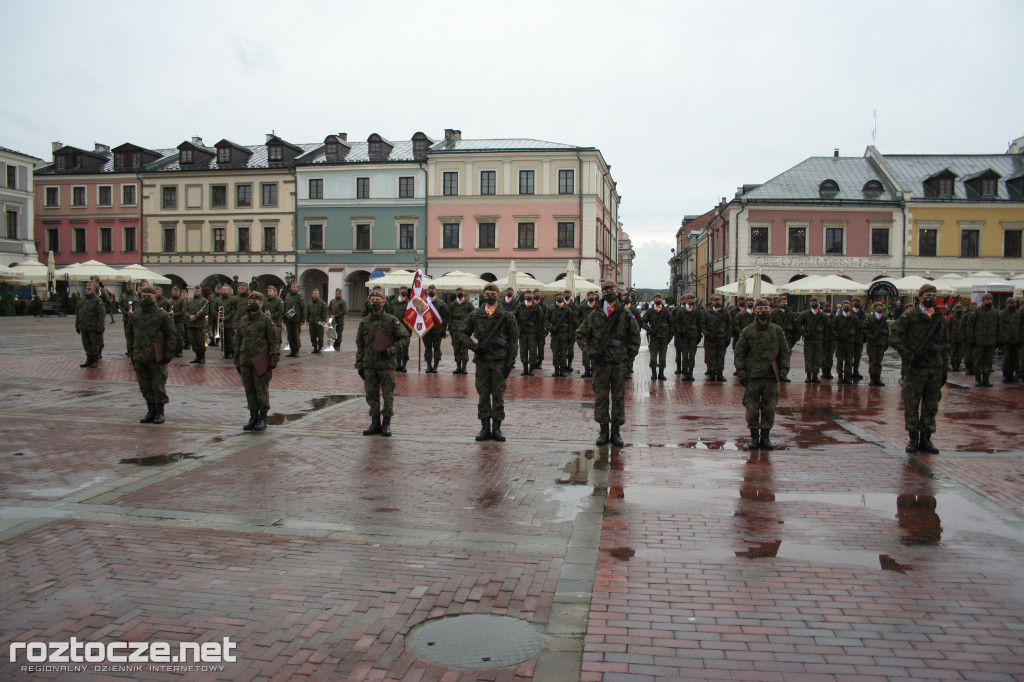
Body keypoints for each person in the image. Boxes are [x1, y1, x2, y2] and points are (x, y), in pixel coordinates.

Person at [576, 280, 641, 447]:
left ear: (617, 291)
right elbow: (581, 335)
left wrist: (627, 358)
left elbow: (635, 338)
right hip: (601, 363)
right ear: (601, 293)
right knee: (601, 397)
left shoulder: (625, 314)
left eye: (612, 289)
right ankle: (604, 431)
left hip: (619, 364)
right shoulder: (594, 314)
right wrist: (590, 352)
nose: (609, 292)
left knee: (619, 397)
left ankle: (616, 432)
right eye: (605, 289)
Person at [457, 282, 519, 442]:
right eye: (487, 293)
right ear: (483, 295)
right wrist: (475, 347)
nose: (489, 296)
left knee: (498, 396)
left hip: (500, 363)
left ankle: (497, 429)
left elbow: (513, 341)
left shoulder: (507, 316)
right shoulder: (476, 314)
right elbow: (462, 333)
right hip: (483, 363)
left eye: (493, 293)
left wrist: (509, 363)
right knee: (483, 395)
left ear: (498, 295)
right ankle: (485, 428)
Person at [890, 283, 948, 454]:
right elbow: (894, 337)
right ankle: (913, 438)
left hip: (934, 368)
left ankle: (926, 439)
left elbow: (945, 344)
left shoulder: (938, 317)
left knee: (931, 405)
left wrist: (944, 369)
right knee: (912, 404)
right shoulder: (910, 316)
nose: (930, 297)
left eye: (933, 294)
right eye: (927, 295)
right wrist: (909, 355)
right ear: (920, 297)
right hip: (915, 369)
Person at [735, 298, 790, 450]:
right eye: (760, 308)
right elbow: (740, 353)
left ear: (770, 310)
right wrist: (742, 373)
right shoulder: (748, 331)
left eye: (766, 308)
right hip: (753, 376)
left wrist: (784, 371)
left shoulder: (777, 330)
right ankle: (754, 437)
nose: (763, 311)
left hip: (771, 377)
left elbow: (784, 352)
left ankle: (765, 437)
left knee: (769, 408)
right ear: (754, 311)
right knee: (752, 408)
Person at [355, 291, 411, 437]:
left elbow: (404, 338)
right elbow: (360, 345)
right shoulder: (364, 322)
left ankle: (386, 424)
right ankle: (375, 423)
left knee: (388, 395)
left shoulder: (392, 321)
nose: (374, 302)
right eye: (372, 299)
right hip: (369, 366)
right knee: (371, 395)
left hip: (387, 365)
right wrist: (359, 365)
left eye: (377, 299)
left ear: (384, 302)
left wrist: (391, 350)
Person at [234, 291, 281, 431]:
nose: (252, 303)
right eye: (250, 301)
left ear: (261, 304)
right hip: (245, 359)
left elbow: (274, 341)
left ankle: (262, 417)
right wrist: (237, 359)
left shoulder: (267, 320)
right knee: (249, 389)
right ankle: (252, 416)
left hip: (261, 358)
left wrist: (274, 359)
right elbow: (238, 341)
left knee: (261, 389)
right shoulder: (243, 321)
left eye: (256, 302)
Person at [130, 285, 177, 424]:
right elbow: (130, 334)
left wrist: (168, 353)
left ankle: (159, 412)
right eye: (143, 296)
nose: (145, 299)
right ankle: (150, 410)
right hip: (140, 354)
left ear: (155, 297)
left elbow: (171, 334)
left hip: (157, 354)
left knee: (158, 384)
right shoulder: (136, 314)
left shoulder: (162, 315)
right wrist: (131, 352)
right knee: (144, 385)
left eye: (148, 296)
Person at [966, 292, 998, 387]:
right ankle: (978, 379)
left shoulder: (995, 313)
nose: (989, 301)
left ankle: (986, 379)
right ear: (983, 301)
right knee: (978, 360)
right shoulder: (977, 312)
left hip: (991, 341)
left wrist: (998, 340)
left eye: (990, 300)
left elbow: (999, 326)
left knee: (988, 361)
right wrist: (971, 339)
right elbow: (970, 326)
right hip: (978, 341)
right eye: (987, 300)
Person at [641, 292, 672, 380]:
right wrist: (649, 329)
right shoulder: (650, 311)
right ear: (653, 300)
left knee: (662, 356)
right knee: (653, 356)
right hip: (654, 337)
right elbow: (642, 322)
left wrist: (669, 335)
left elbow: (671, 323)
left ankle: (661, 373)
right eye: (656, 298)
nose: (657, 300)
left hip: (664, 337)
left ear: (661, 299)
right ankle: (654, 373)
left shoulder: (666, 311)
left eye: (659, 298)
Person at [75, 281, 106, 368]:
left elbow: (101, 315)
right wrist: (77, 325)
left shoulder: (97, 301)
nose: (87, 290)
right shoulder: (82, 301)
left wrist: (100, 327)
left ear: (93, 290)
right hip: (84, 327)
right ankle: (88, 359)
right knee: (86, 344)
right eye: (86, 289)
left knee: (94, 344)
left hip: (93, 327)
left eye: (89, 289)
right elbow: (78, 314)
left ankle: (94, 360)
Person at [700, 294, 730, 382]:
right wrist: (707, 334)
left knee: (721, 356)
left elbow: (729, 325)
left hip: (721, 338)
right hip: (710, 338)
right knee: (711, 356)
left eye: (718, 300)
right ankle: (712, 373)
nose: (717, 302)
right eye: (715, 301)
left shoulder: (725, 313)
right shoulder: (707, 312)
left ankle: (720, 373)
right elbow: (703, 325)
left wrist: (728, 337)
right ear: (711, 302)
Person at [673, 291, 702, 381]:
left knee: (692, 355)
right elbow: (676, 322)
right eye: (689, 299)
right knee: (685, 355)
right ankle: (685, 372)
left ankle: (691, 372)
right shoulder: (681, 310)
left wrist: (699, 335)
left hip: (693, 336)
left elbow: (700, 323)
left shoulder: (697, 311)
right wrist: (679, 331)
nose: (691, 300)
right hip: (684, 336)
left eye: (692, 299)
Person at [832, 300, 862, 384]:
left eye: (848, 305)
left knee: (849, 360)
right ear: (842, 307)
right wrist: (837, 337)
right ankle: (840, 377)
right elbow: (832, 328)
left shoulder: (854, 318)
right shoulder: (838, 317)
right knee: (840, 360)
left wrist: (857, 341)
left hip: (850, 342)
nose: (846, 307)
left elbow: (858, 330)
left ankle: (847, 377)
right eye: (844, 305)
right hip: (841, 343)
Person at [799, 296, 826, 383]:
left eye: (816, 301)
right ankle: (808, 375)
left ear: (819, 303)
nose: (814, 303)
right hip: (809, 339)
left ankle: (815, 375)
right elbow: (797, 324)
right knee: (808, 357)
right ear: (810, 303)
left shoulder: (822, 315)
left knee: (817, 357)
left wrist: (823, 335)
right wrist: (803, 334)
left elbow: (828, 326)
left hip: (818, 339)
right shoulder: (805, 314)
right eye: (812, 301)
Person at [448, 286, 475, 375]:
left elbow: (472, 316)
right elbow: (450, 317)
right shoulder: (453, 304)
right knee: (456, 348)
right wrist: (450, 329)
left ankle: (464, 367)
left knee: (464, 348)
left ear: (464, 293)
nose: (459, 292)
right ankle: (458, 367)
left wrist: (471, 328)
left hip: (464, 329)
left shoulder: (468, 304)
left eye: (461, 291)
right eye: (457, 291)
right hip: (455, 329)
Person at [768, 295, 796, 382]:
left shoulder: (790, 313)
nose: (784, 304)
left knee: (786, 358)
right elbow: (770, 325)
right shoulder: (774, 313)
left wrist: (793, 340)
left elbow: (795, 327)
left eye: (785, 302)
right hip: (776, 339)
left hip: (788, 339)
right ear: (779, 303)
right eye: (782, 302)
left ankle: (784, 375)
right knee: (775, 357)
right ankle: (775, 374)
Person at [548, 291, 575, 377]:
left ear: (563, 297)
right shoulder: (551, 308)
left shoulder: (568, 309)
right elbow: (546, 320)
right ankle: (556, 370)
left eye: (561, 296)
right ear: (555, 297)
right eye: (557, 296)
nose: (559, 297)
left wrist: (570, 335)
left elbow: (571, 323)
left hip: (564, 334)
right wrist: (550, 328)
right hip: (555, 334)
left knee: (563, 353)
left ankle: (562, 370)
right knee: (555, 352)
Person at [863, 300, 890, 386]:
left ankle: (878, 379)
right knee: (873, 361)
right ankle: (872, 379)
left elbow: (887, 332)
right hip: (872, 343)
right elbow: (865, 329)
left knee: (879, 362)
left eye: (880, 308)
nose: (879, 309)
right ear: (874, 309)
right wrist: (870, 336)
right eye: (877, 308)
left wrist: (886, 342)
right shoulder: (870, 318)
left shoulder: (883, 319)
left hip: (881, 343)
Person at [422, 285, 448, 373]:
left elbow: (445, 317)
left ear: (436, 291)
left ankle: (436, 366)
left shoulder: (441, 303)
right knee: (427, 348)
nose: (431, 291)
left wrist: (444, 329)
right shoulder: (424, 303)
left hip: (437, 330)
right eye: (429, 289)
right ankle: (429, 366)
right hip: (426, 329)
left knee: (437, 348)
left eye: (433, 289)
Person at [577, 290, 599, 377]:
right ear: (587, 296)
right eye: (589, 295)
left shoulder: (598, 306)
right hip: (585, 332)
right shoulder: (582, 306)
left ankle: (593, 370)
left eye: (592, 295)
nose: (591, 296)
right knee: (585, 352)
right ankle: (587, 370)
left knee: (594, 351)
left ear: (595, 296)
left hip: (595, 333)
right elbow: (576, 316)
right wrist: (581, 325)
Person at [388, 287, 410, 372]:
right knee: (396, 346)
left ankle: (404, 365)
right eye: (401, 289)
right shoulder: (393, 302)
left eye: (405, 289)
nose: (403, 291)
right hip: (395, 328)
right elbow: (390, 314)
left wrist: (410, 330)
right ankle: (398, 364)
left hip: (406, 328)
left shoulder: (409, 302)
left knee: (405, 347)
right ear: (399, 290)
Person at [186, 285, 209, 364]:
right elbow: (185, 310)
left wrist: (195, 317)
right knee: (193, 341)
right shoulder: (189, 301)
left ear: (201, 292)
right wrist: (189, 316)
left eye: (198, 291)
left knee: (200, 341)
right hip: (190, 324)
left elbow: (205, 311)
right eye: (195, 291)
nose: (196, 292)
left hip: (199, 324)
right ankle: (197, 356)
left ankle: (202, 356)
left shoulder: (204, 301)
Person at [998, 298, 1019, 382]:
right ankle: (1005, 375)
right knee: (1006, 358)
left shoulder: (1017, 314)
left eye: (1014, 303)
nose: (1012, 305)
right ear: (1007, 304)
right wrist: (1000, 339)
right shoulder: (1002, 314)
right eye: (1010, 303)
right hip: (1006, 340)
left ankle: (1011, 374)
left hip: (1016, 340)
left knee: (1014, 359)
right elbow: (999, 327)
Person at [283, 281, 306, 357]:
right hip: (289, 319)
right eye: (294, 287)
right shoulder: (288, 296)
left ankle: (296, 351)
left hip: (296, 319)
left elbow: (303, 308)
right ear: (290, 288)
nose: (295, 288)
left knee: (296, 336)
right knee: (290, 336)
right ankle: (292, 350)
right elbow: (285, 307)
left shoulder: (299, 296)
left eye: (296, 287)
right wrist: (284, 318)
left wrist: (303, 319)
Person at [119, 281, 139, 356]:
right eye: (127, 287)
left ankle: (135, 349)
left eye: (130, 287)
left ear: (133, 287)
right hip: (126, 319)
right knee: (128, 335)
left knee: (135, 334)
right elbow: (120, 305)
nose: (128, 288)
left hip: (135, 319)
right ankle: (129, 350)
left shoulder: (136, 296)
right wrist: (125, 312)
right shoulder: (123, 296)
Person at [307, 288, 328, 353]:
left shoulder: (322, 303)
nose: (317, 295)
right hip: (312, 322)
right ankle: (315, 347)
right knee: (312, 336)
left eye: (318, 293)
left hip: (319, 322)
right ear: (312, 294)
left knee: (320, 336)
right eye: (315, 293)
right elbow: (307, 312)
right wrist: (307, 320)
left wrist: (324, 320)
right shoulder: (309, 303)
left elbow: (325, 312)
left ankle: (320, 347)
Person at [532, 288, 548, 370]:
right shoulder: (530, 305)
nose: (536, 295)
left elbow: (546, 318)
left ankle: (540, 362)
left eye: (538, 293)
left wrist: (546, 329)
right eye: (535, 294)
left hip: (541, 329)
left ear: (540, 295)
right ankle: (533, 362)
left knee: (541, 347)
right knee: (533, 347)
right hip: (532, 330)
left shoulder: (544, 306)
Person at [947, 301, 966, 372]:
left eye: (960, 308)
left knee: (959, 353)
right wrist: (948, 337)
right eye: (958, 308)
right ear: (955, 309)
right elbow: (948, 328)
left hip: (961, 338)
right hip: (953, 338)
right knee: (953, 353)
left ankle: (957, 366)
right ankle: (953, 366)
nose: (959, 309)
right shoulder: (952, 318)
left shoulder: (963, 317)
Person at [820, 302, 837, 380]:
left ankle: (828, 371)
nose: (827, 308)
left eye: (829, 306)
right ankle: (824, 371)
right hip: (823, 339)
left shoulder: (834, 317)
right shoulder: (820, 316)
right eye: (825, 306)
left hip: (832, 339)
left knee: (830, 356)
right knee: (823, 356)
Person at [169, 286, 187, 357]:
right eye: (175, 291)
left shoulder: (182, 301)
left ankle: (179, 351)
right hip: (171, 322)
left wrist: (174, 314)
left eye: (177, 291)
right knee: (172, 337)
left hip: (179, 321)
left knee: (179, 337)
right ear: (172, 292)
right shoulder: (169, 301)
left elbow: (183, 310)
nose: (176, 293)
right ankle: (173, 350)